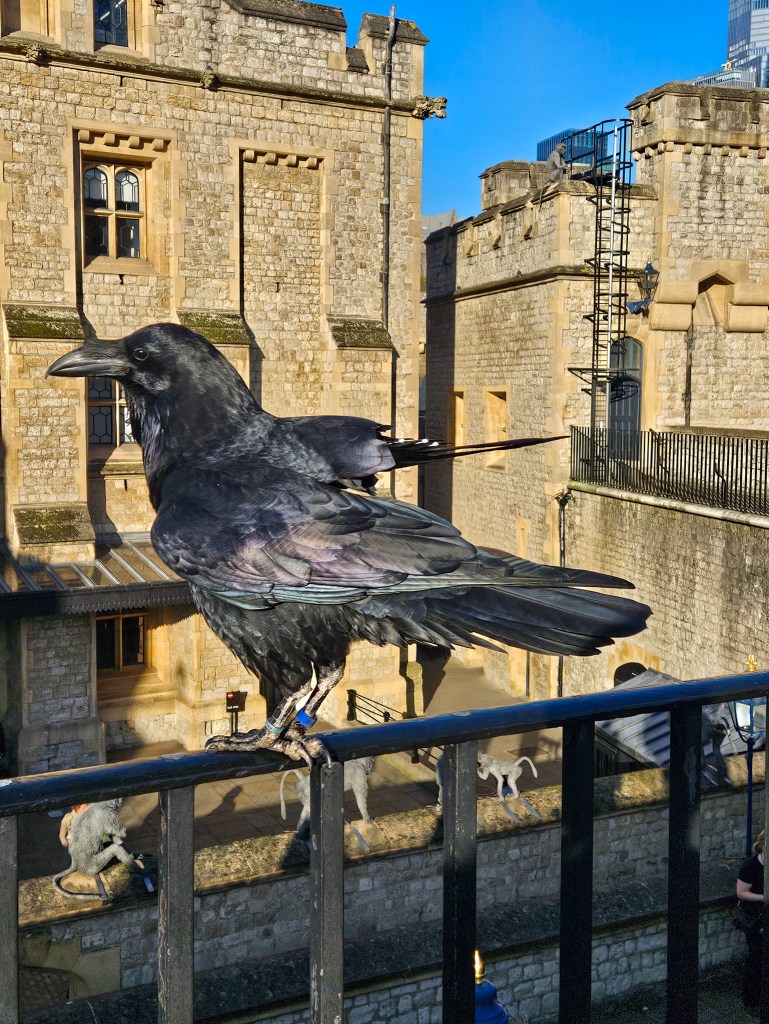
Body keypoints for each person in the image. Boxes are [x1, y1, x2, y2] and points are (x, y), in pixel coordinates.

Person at [737, 830, 765, 1013]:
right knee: (756, 959)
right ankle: (751, 1001)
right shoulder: (751, 866)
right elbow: (741, 892)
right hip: (754, 918)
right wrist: (764, 897)